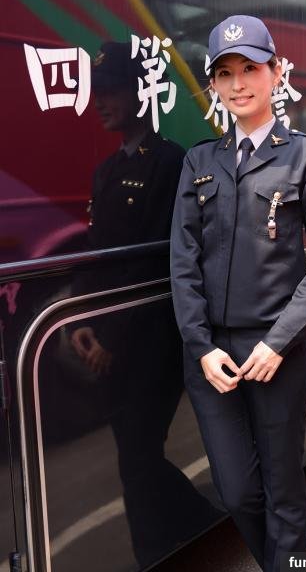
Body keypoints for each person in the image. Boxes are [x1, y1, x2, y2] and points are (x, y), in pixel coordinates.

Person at [170, 15, 306, 571]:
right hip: (213, 359)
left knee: (284, 492)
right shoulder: (200, 161)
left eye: (250, 68)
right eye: (225, 73)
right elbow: (183, 262)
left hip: (277, 354)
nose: (238, 83)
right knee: (237, 492)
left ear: (276, 72)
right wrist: (200, 346)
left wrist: (278, 342)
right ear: (214, 84)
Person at [69, 42, 220, 568]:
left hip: (155, 341)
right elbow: (99, 255)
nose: (101, 102)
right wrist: (82, 318)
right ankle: (193, 525)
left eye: (111, 91)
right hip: (113, 338)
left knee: (136, 459)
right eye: (98, 92)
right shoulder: (106, 170)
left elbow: (158, 263)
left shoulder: (171, 162)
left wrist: (111, 339)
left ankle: (163, 544)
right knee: (135, 458)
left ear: (139, 94)